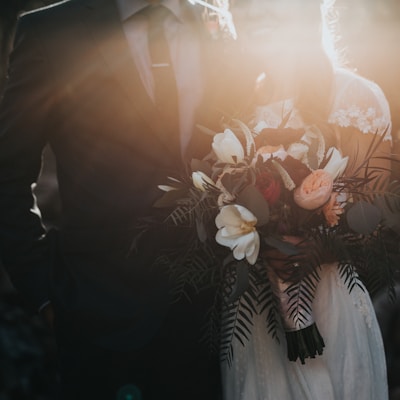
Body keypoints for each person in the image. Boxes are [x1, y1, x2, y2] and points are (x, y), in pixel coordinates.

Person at [0, 0, 227, 399]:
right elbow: (7, 174)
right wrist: (46, 292)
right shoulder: (50, 32)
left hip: (211, 322)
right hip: (99, 320)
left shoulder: (216, 24)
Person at [219, 0, 392, 399]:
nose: (255, 11)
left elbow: (380, 217)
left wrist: (314, 246)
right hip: (251, 319)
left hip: (330, 306)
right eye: (241, 3)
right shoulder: (230, 108)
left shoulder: (354, 96)